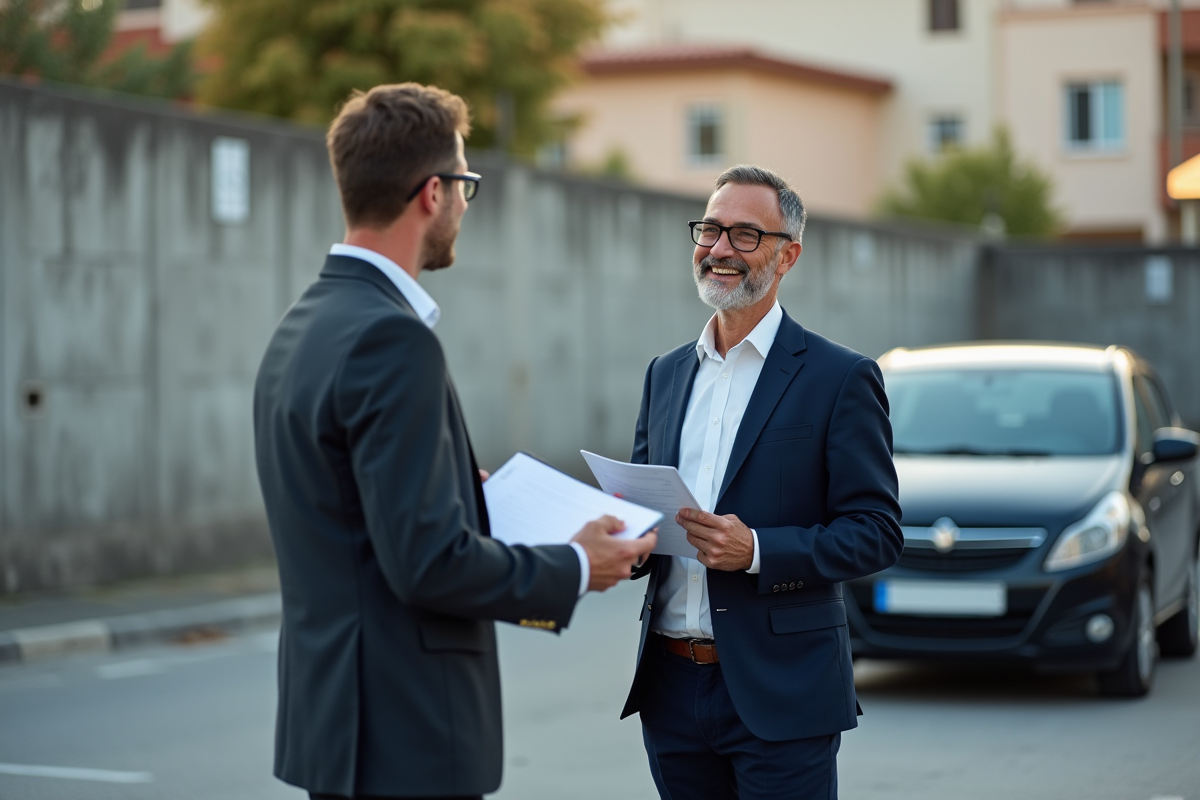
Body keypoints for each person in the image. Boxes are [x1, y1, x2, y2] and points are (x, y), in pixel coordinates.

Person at [253, 83, 655, 800]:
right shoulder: (391, 339)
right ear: (432, 193)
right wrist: (574, 564)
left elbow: (352, 515)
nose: (466, 204)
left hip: (338, 733)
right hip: (404, 739)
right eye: (466, 184)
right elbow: (427, 564)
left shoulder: (302, 325)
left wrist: (462, 491)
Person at [620, 165, 903, 799]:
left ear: (788, 255)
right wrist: (628, 536)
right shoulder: (664, 374)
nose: (719, 249)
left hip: (783, 691)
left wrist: (760, 553)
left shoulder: (840, 377)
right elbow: (647, 511)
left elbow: (877, 533)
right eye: (711, 230)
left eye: (745, 235)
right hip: (670, 688)